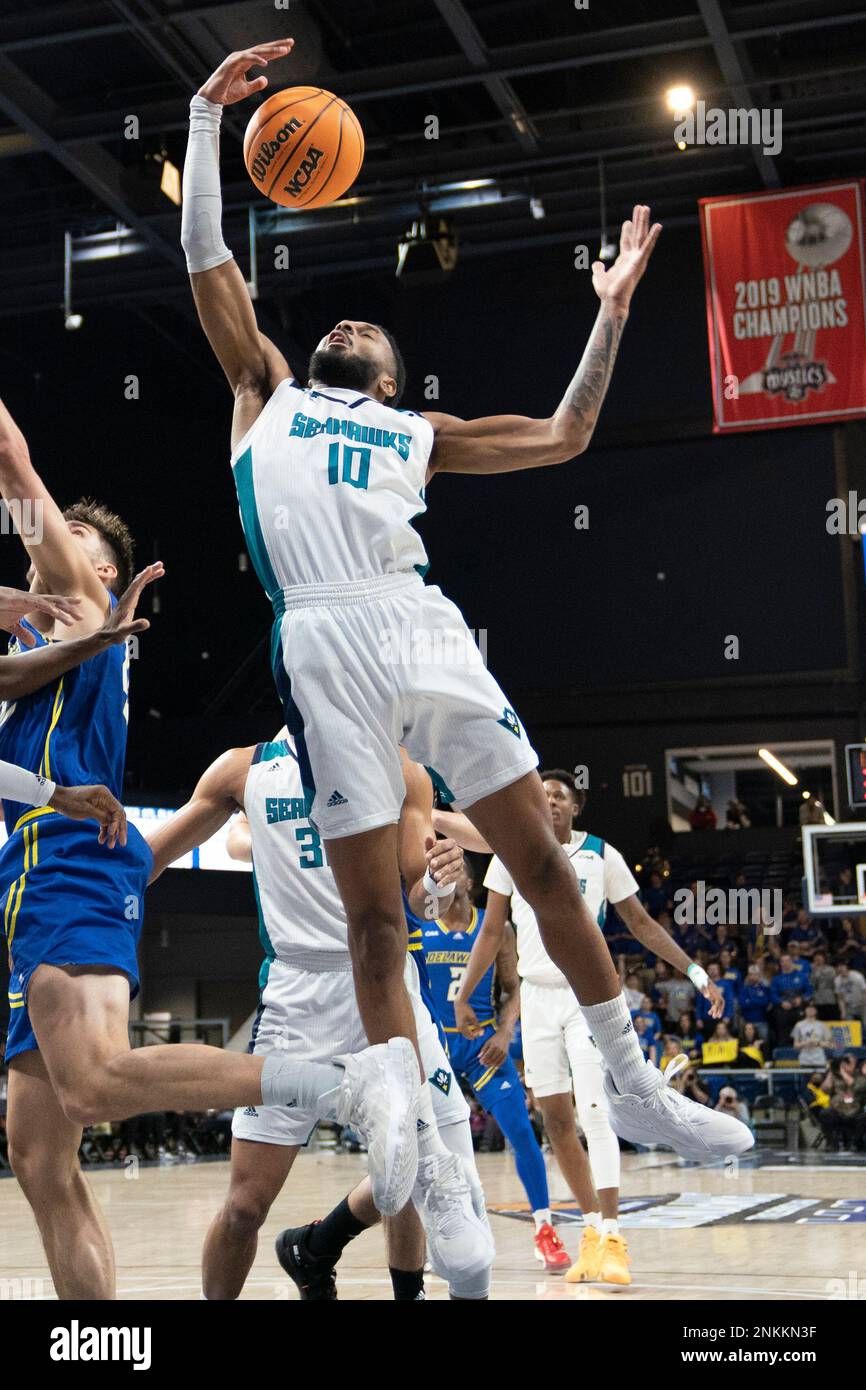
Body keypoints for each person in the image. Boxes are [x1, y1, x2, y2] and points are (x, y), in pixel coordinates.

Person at [179, 39, 745, 1176]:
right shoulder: (264, 394)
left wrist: (612, 313)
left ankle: (628, 1082)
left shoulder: (419, 434)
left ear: (389, 379)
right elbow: (203, 253)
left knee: (537, 856)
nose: (341, 327)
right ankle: (395, 1116)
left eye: (363, 332)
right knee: (374, 920)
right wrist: (202, 119)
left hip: (417, 619)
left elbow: (566, 435)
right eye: (332, 326)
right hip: (323, 633)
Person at [0, 394, 412, 1302]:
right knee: (38, 1155)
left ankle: (344, 1089)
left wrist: (37, 530)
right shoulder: (54, 639)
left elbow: (13, 465)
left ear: (99, 569)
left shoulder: (79, 595)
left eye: (67, 540)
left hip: (65, 860)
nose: (45, 544)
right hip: (39, 858)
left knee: (98, 1085)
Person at [146, 739, 493, 1300]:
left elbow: (426, 902)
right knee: (243, 1205)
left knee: (414, 1175)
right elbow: (149, 858)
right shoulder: (244, 769)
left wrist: (437, 883)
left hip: (384, 979)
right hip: (295, 1001)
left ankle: (406, 1291)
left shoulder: (397, 764)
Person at [443, 771, 741, 1284]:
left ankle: (613, 1233)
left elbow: (641, 924)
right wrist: (466, 995)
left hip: (586, 997)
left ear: (576, 807)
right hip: (535, 997)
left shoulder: (601, 855)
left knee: (595, 1113)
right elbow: (491, 931)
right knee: (555, 1119)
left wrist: (694, 971)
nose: (550, 801)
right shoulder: (509, 852)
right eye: (544, 795)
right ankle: (588, 1233)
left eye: (560, 796)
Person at [416, 863, 569, 1272]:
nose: (450, 878)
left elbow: (515, 988)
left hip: (483, 1044)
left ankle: (544, 1229)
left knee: (521, 1130)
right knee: (432, 1149)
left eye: (457, 872)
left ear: (469, 881)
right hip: (437, 1046)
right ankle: (439, 1236)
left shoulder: (495, 927)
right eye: (441, 874)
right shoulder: (418, 924)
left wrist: (504, 1034)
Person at [791, 1003, 832, 1069]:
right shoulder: (798, 1025)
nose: (810, 1010)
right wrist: (805, 1043)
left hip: (819, 1059)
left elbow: (829, 1044)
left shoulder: (822, 1025)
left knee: (819, 1078)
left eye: (812, 1009)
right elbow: (795, 1045)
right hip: (804, 1060)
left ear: (816, 1011)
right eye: (808, 1008)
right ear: (805, 1010)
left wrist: (818, 1043)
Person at [834, 962, 866, 1029]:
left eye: (842, 966)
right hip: (848, 1006)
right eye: (838, 967)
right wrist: (843, 1012)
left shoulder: (857, 976)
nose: (840, 968)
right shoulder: (837, 980)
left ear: (847, 967)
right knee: (849, 1026)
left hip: (862, 1003)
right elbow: (840, 998)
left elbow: (864, 991)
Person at [810, 950, 839, 1021]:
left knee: (831, 1021)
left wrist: (819, 972)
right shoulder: (811, 970)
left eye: (820, 957)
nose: (818, 959)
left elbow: (832, 982)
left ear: (824, 958)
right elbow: (812, 984)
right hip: (817, 1000)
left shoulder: (831, 969)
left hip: (830, 999)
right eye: (816, 958)